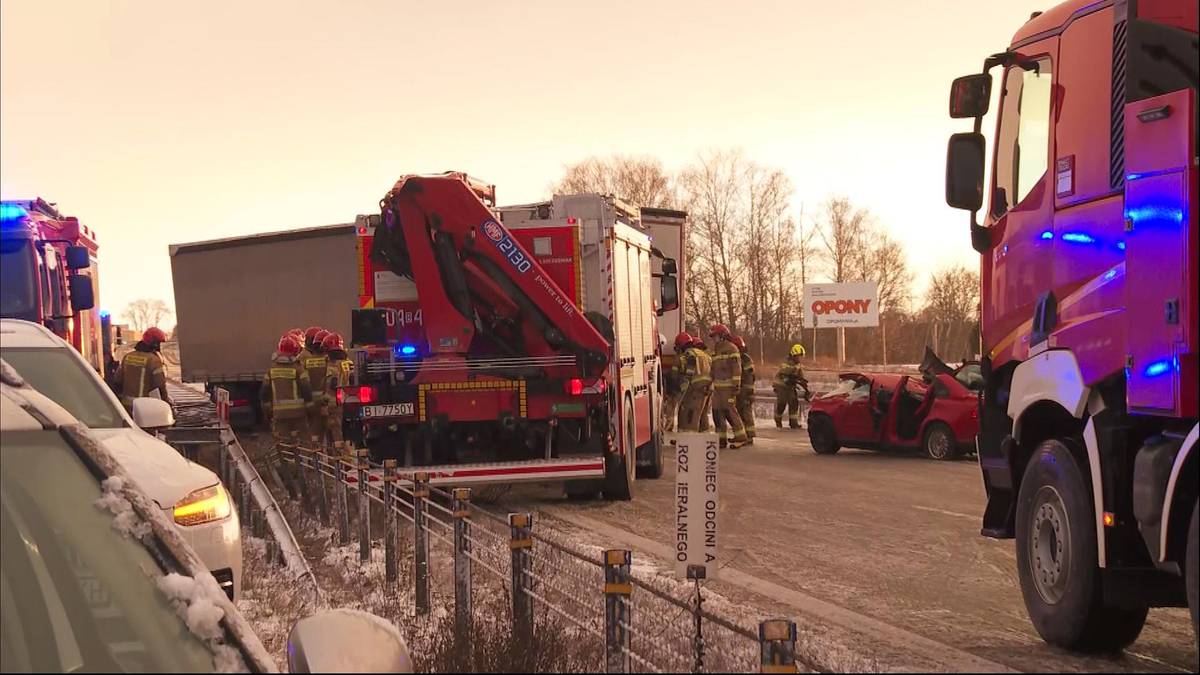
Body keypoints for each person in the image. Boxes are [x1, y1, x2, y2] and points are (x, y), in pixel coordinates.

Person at [260, 334, 313, 445]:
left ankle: (287, 462)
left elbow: (264, 392)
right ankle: (303, 461)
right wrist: (309, 409)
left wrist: (268, 411)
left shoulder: (271, 370)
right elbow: (306, 389)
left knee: (283, 444)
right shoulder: (298, 369)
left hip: (279, 414)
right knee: (303, 443)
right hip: (299, 414)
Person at [114, 326, 172, 412]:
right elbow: (160, 386)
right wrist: (166, 404)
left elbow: (117, 380)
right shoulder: (154, 360)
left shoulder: (127, 357)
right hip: (144, 408)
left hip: (126, 408)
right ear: (154, 343)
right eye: (159, 343)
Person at [708, 324, 747, 449]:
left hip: (728, 388)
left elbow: (736, 368)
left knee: (730, 412)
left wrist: (736, 385)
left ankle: (741, 437)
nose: (714, 339)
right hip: (717, 389)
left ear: (723, 335)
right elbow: (712, 370)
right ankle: (721, 439)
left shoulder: (732, 348)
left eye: (715, 336)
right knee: (717, 413)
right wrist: (709, 383)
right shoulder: (715, 350)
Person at [674, 332, 712, 432]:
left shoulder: (689, 354)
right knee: (701, 413)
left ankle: (690, 439)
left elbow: (689, 369)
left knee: (691, 414)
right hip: (707, 388)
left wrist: (685, 383)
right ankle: (704, 436)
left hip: (695, 388)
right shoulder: (705, 355)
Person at [321, 332, 352, 445]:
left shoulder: (333, 365)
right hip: (347, 401)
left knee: (334, 431)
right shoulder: (348, 362)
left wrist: (324, 403)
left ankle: (340, 456)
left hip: (334, 404)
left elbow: (332, 383)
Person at [773, 343, 811, 429]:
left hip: (790, 386)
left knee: (794, 402)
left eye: (801, 356)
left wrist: (804, 385)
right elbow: (783, 374)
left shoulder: (798, 364)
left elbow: (800, 375)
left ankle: (793, 423)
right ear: (794, 355)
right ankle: (778, 420)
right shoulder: (785, 362)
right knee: (782, 403)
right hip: (781, 385)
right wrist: (791, 378)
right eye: (799, 356)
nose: (800, 358)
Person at [304, 329, 332, 445]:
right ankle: (333, 460)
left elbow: (303, 384)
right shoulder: (330, 362)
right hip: (329, 403)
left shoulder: (305, 362)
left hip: (312, 403)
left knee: (315, 435)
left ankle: (314, 460)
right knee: (333, 436)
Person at [732, 335, 756, 445]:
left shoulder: (746, 359)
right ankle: (742, 435)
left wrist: (747, 392)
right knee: (739, 412)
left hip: (746, 390)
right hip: (741, 390)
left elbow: (749, 377)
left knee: (746, 413)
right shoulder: (739, 358)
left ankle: (750, 436)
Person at [691, 336, 713, 432]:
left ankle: (693, 434)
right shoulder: (707, 356)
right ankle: (704, 432)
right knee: (703, 412)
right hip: (709, 387)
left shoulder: (694, 355)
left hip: (699, 387)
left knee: (696, 412)